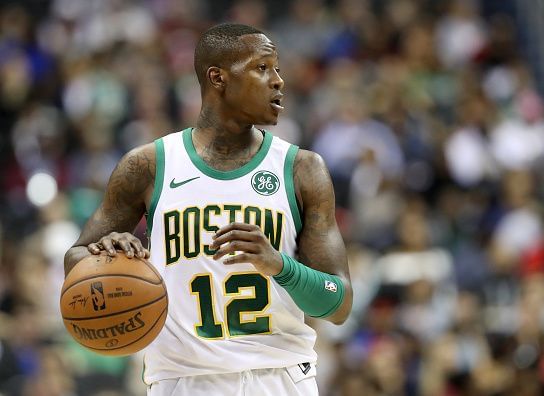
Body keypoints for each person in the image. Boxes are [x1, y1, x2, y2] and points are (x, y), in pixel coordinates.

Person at [63, 23, 352, 396]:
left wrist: (280, 266)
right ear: (218, 78)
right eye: (262, 68)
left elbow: (339, 303)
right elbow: (76, 258)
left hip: (280, 377)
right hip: (181, 380)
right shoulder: (148, 165)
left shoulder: (302, 169)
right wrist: (108, 254)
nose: (279, 80)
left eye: (277, 68)